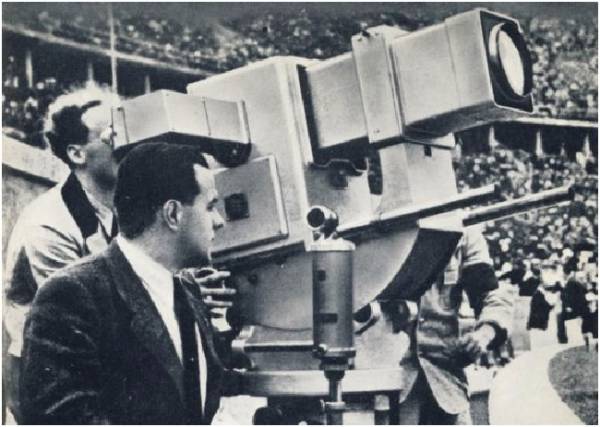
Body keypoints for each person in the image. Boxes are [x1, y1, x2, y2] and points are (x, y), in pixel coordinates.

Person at [19, 142, 240, 424]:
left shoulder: (187, 291)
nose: (219, 221)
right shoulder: (71, 293)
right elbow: (63, 418)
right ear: (173, 214)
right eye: (210, 206)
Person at [3, 83, 121, 423]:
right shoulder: (48, 225)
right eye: (112, 135)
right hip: (50, 380)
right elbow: (87, 317)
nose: (128, 143)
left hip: (95, 364)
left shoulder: (117, 208)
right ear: (76, 154)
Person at [397, 226, 514, 425]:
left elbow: (490, 294)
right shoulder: (372, 218)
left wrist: (485, 333)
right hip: (386, 382)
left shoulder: (463, 231)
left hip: (445, 379)